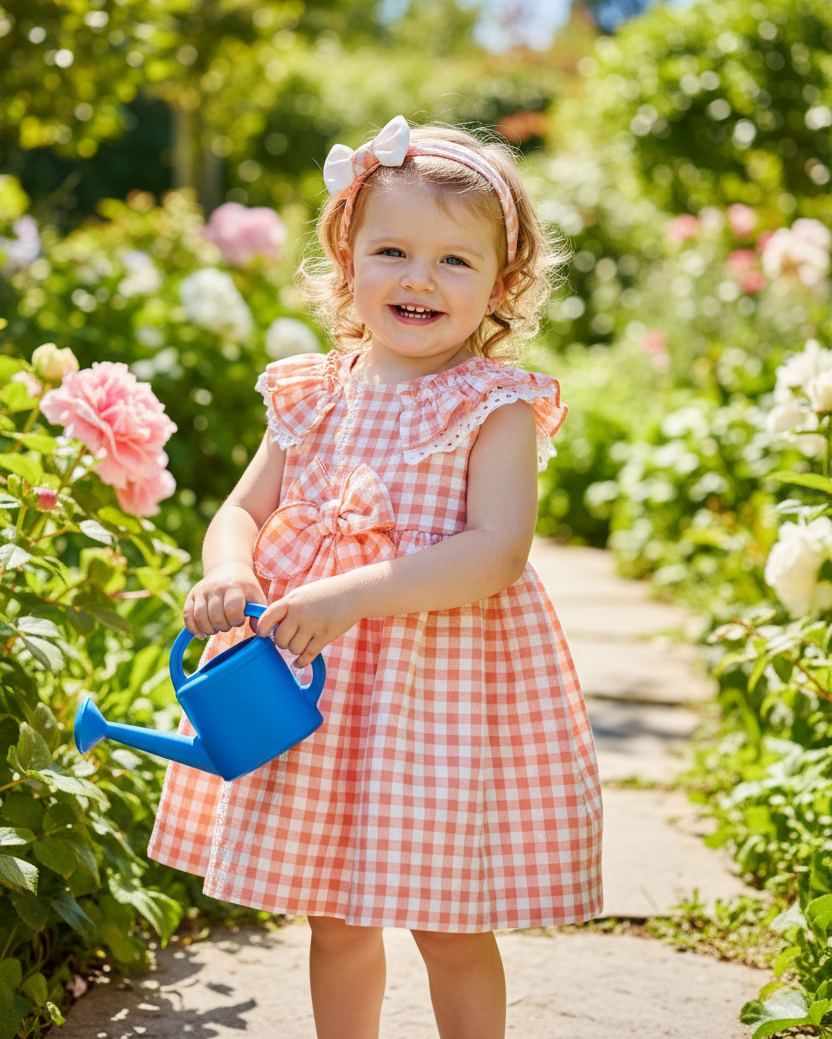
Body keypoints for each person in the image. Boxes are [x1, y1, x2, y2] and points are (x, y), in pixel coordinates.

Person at [148, 116, 602, 1039]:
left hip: (439, 698)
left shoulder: (496, 406)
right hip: (322, 696)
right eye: (391, 249)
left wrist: (353, 594)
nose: (418, 279)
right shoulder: (313, 393)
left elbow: (496, 549)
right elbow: (241, 509)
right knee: (337, 913)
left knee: (449, 921)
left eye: (453, 262)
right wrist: (227, 570)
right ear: (346, 254)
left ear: (501, 283)